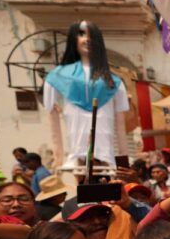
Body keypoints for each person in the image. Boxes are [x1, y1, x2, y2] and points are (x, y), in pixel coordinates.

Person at [44, 20, 129, 168]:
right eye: (82, 34)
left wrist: (123, 158)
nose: (87, 40)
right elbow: (52, 114)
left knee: (103, 166)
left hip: (104, 146)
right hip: (76, 141)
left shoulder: (113, 81)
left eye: (92, 36)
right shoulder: (58, 76)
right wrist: (58, 156)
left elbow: (120, 124)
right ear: (73, 39)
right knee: (80, 167)